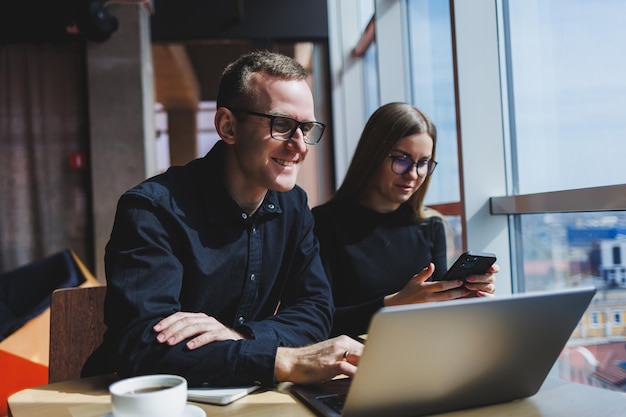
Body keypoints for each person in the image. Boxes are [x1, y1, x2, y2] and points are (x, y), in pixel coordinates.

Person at [83, 50, 363, 387]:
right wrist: (281, 359)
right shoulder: (151, 210)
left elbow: (316, 310)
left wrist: (240, 337)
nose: (299, 146)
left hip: (241, 396)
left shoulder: (294, 206)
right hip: (140, 400)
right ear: (228, 126)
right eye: (283, 125)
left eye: (306, 128)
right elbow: (142, 350)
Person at [312, 102, 498, 338]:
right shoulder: (323, 224)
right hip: (353, 364)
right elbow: (317, 322)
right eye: (401, 159)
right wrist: (392, 304)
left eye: (423, 163)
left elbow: (440, 315)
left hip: (424, 354)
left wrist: (465, 298)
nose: (413, 174)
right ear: (372, 156)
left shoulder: (431, 226)